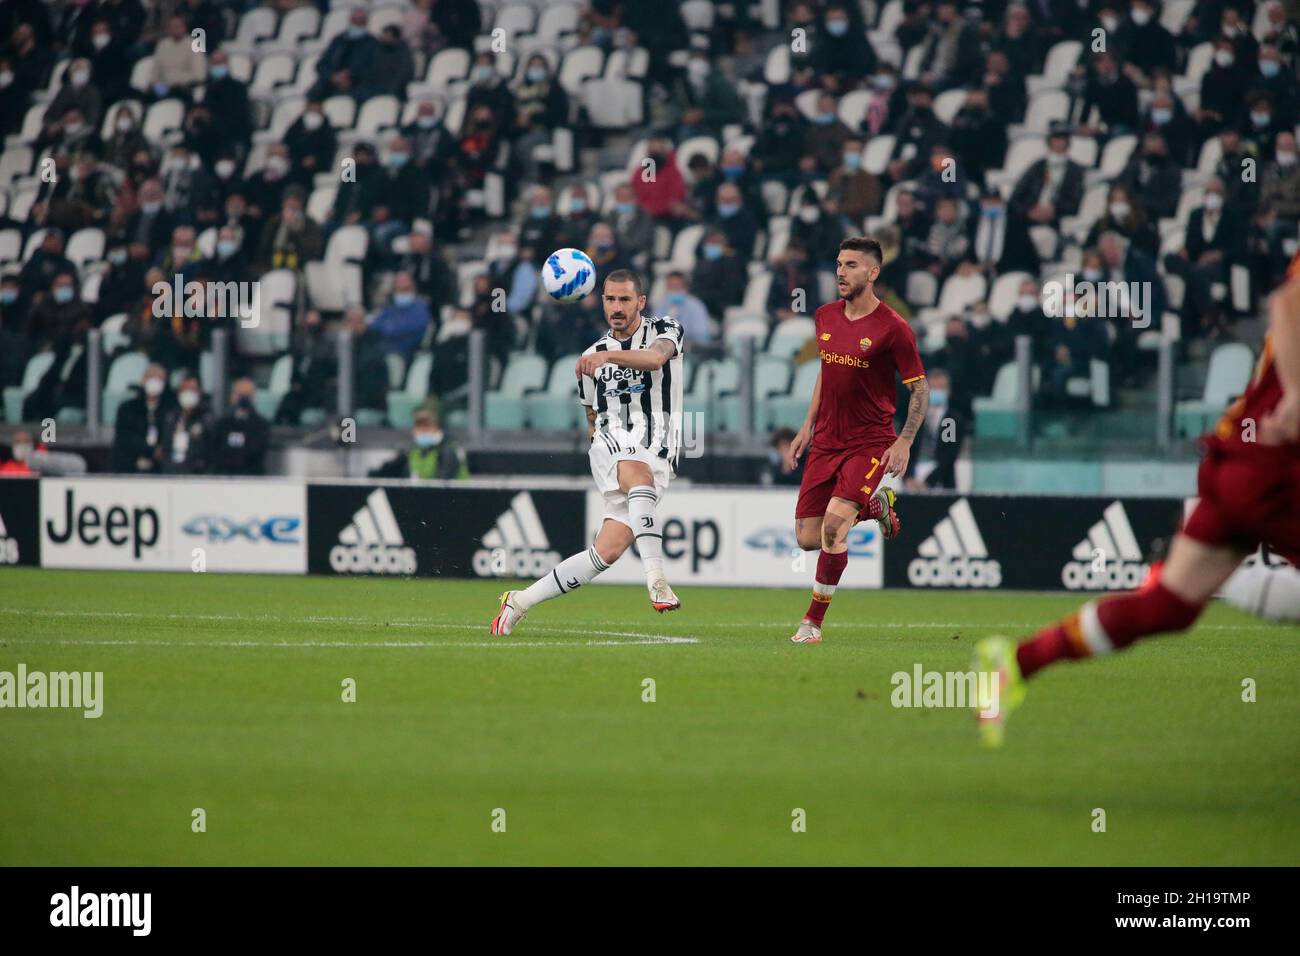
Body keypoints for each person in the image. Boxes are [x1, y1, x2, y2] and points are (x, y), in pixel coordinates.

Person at [973, 255, 1300, 747]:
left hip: (1239, 458)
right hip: (1272, 465)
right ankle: (1237, 583)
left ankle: (1017, 661)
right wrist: (1295, 398)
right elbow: (1288, 302)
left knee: (1170, 606)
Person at [490, 270, 686, 634]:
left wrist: (610, 359)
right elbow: (591, 412)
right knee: (637, 477)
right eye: (610, 299)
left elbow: (657, 360)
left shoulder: (666, 328)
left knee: (606, 553)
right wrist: (597, 439)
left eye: (625, 299)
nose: (616, 306)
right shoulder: (590, 356)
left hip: (659, 447)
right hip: (614, 440)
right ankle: (657, 580)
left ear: (640, 302)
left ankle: (518, 600)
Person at [785, 237, 927, 644]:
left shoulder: (894, 328)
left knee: (833, 529)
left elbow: (919, 390)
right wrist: (807, 425)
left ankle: (812, 623)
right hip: (827, 441)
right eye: (839, 264)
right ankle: (877, 505)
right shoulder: (825, 316)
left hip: (870, 442)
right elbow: (826, 372)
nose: (840, 272)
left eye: (850, 265)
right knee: (808, 538)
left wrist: (903, 441)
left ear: (872, 272)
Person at [369, 408, 469, 480]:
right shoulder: (412, 451)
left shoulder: (448, 450)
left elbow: (442, 482)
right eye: (419, 428)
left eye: (427, 427)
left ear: (436, 427)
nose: (423, 431)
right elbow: (392, 471)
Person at [110, 363, 174, 473]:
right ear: (143, 380)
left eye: (159, 378)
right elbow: (125, 437)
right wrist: (150, 450)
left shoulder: (170, 410)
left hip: (160, 469)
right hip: (129, 467)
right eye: (151, 377)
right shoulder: (128, 408)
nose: (155, 381)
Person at [211, 378, 269, 475]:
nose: (243, 400)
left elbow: (254, 453)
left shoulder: (261, 425)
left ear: (254, 397)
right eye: (240, 395)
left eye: (247, 395)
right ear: (232, 396)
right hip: (223, 478)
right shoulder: (221, 424)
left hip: (251, 479)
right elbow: (217, 451)